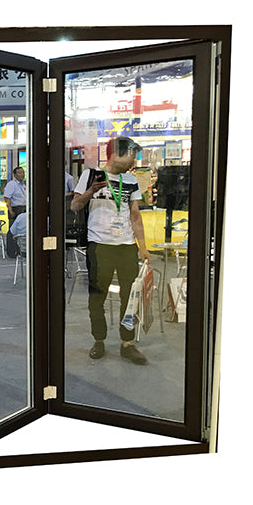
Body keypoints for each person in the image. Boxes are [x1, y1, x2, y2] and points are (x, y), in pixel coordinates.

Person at [71, 137, 151, 364]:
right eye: (132, 156)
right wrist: (91, 191)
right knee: (97, 297)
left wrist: (142, 247)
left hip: (126, 246)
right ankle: (99, 340)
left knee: (130, 296)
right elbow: (75, 205)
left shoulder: (131, 180)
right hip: (99, 246)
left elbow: (135, 216)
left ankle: (127, 343)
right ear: (116, 154)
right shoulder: (91, 175)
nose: (134, 161)